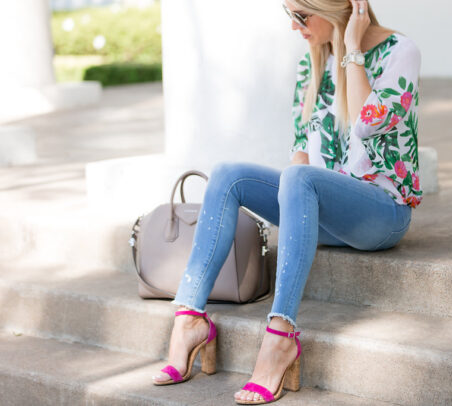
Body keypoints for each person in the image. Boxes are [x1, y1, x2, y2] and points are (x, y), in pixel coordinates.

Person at [152, 0, 422, 403]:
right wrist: (290, 198)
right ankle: (190, 319)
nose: (296, 27)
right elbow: (301, 154)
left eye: (301, 15)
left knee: (298, 176)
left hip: (381, 212)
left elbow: (368, 122)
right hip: (325, 212)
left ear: (335, 9)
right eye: (289, 16)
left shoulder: (401, 51)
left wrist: (352, 51)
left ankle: (280, 336)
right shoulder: (311, 66)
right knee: (229, 174)